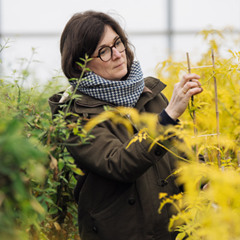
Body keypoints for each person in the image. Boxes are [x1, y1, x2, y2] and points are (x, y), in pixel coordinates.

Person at [49, 10, 203, 240]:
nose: (117, 55)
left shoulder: (149, 94)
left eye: (118, 43)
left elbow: (184, 155)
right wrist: (168, 116)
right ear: (80, 64)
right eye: (103, 51)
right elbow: (119, 163)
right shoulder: (75, 117)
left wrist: (207, 182)